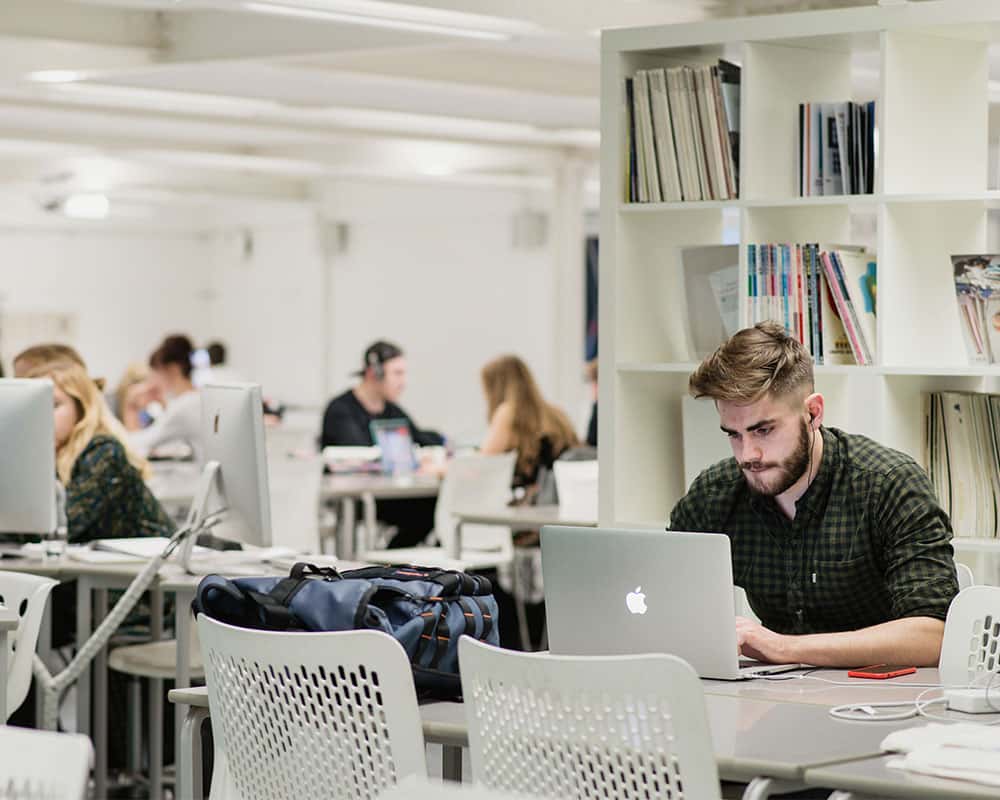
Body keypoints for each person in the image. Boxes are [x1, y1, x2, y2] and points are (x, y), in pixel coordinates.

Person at [668, 321, 958, 668]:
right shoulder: (715, 495)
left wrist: (783, 648)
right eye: (734, 434)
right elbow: (663, 598)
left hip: (879, 702)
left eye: (764, 430)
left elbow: (933, 635)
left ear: (813, 412)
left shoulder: (888, 484)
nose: (748, 455)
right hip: (767, 699)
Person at [320, 340, 443, 548]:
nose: (403, 381)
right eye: (397, 373)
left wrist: (443, 444)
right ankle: (389, 567)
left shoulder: (391, 409)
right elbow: (359, 451)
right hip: (356, 498)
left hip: (388, 495)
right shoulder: (341, 409)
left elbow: (419, 436)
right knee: (423, 511)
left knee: (432, 507)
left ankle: (395, 567)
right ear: (373, 373)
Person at [479, 354, 579, 494]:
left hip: (531, 503)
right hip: (560, 499)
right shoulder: (555, 413)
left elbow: (483, 463)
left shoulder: (507, 413)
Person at [124, 334, 204, 463]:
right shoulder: (193, 398)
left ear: (172, 369)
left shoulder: (185, 405)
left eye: (156, 372)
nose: (152, 380)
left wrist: (131, 407)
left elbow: (136, 444)